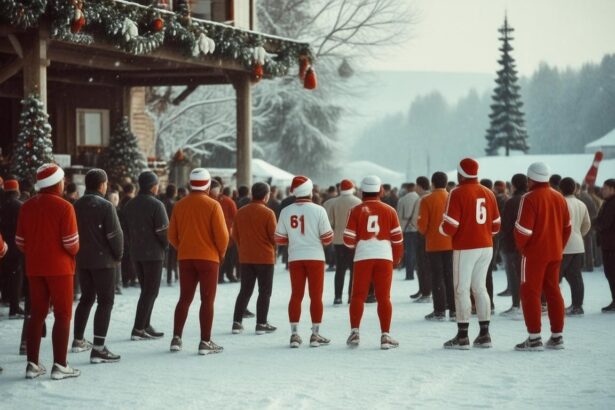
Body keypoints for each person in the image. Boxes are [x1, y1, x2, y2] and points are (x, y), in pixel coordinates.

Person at [16, 163, 81, 379]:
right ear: (56, 182)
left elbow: (20, 242)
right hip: (60, 268)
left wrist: (36, 250)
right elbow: (71, 243)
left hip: (34, 268)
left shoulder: (26, 207)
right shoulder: (65, 207)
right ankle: (60, 365)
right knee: (63, 314)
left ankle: (32, 364)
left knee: (37, 314)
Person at [440, 158, 500, 349]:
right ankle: (484, 334)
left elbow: (450, 226)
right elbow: (496, 225)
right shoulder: (488, 192)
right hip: (486, 245)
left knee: (461, 289)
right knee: (480, 288)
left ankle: (462, 335)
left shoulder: (457, 192)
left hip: (465, 247)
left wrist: (441, 229)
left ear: (460, 174)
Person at [168, 169, 229, 354]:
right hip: (208, 258)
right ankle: (205, 341)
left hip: (185, 257)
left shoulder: (179, 205)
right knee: (207, 300)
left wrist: (183, 247)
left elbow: (171, 235)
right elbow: (223, 236)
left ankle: (176, 338)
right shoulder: (213, 205)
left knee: (184, 299)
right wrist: (221, 253)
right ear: (208, 185)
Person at [514, 162, 571, 351]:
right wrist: (558, 246)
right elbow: (567, 227)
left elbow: (523, 230)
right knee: (553, 291)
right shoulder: (559, 197)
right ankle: (557, 336)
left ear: (530, 179)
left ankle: (534, 337)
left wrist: (522, 248)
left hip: (534, 254)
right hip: (555, 253)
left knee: (530, 293)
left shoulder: (529, 198)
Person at [343, 176, 403, 349]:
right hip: (384, 256)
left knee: (358, 296)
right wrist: (397, 258)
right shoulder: (390, 210)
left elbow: (348, 240)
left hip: (362, 256)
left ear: (361, 192)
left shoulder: (355, 210)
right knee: (384, 297)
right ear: (381, 191)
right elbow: (397, 239)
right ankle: (385, 335)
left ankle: (354, 332)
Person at [274, 176, 334, 348]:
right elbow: (327, 237)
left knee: (296, 295)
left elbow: (279, 238)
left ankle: (294, 334)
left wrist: (294, 239)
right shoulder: (319, 210)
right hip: (315, 256)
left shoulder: (286, 211)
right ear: (309, 190)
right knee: (316, 296)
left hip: (295, 257)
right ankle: (315, 334)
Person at [71, 169, 123, 363]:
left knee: (86, 298)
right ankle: (99, 348)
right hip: (104, 262)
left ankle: (78, 340)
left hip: (82, 260)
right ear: (102, 184)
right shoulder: (106, 206)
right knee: (105, 301)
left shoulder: (76, 205)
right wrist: (118, 256)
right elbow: (115, 236)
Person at [122, 171, 169, 340]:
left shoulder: (129, 205)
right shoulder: (156, 205)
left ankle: (145, 324)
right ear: (153, 186)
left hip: (137, 253)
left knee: (146, 290)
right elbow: (163, 232)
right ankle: (139, 328)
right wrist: (166, 247)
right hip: (154, 253)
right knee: (150, 292)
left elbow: (125, 231)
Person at [231, 182, 277, 335]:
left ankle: (237, 322)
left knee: (245, 290)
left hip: (246, 257)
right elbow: (274, 237)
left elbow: (235, 234)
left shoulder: (241, 212)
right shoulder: (268, 213)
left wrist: (244, 246)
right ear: (266, 196)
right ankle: (261, 323)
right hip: (265, 257)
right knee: (264, 291)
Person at [417, 172, 454, 321]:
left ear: (432, 183)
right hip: (452, 243)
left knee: (437, 277)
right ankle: (453, 309)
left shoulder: (427, 200)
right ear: (446, 183)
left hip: (434, 244)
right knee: (450, 276)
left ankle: (439, 310)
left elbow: (422, 226)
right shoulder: (452, 197)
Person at [559, 177, 590, 316]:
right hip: (578, 245)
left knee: (555, 277)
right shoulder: (581, 204)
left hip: (563, 246)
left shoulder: (560, 203)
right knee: (576, 277)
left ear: (560, 189)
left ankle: (550, 304)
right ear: (575, 189)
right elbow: (587, 225)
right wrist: (578, 234)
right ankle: (577, 306)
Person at [327, 179, 361, 304]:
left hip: (338, 240)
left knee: (340, 269)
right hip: (353, 240)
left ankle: (337, 297)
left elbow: (330, 223)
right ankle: (351, 296)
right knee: (353, 269)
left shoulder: (333, 203)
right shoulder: (358, 202)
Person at [499, 174, 527, 319]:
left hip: (512, 244)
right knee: (527, 276)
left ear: (514, 186)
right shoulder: (529, 199)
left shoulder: (512, 202)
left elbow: (505, 224)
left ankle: (516, 305)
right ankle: (530, 304)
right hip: (528, 244)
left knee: (514, 276)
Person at [0, 178, 24, 318]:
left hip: (3, 245)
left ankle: (6, 298)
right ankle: (14, 307)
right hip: (17, 246)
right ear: (17, 190)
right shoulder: (21, 206)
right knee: (16, 276)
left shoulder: (2, 206)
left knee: (5, 274)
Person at [594, 179, 615, 312]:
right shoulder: (609, 202)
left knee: (612, 273)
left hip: (611, 245)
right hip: (609, 244)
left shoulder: (612, 204)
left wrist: (595, 224)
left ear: (613, 189)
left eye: (606, 188)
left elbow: (605, 224)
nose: (603, 189)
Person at [411, 176, 432, 302]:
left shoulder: (422, 199)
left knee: (422, 264)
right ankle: (424, 290)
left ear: (419, 186)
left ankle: (425, 291)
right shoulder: (431, 197)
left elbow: (416, 219)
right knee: (426, 264)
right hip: (430, 234)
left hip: (421, 233)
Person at [397, 181, 420, 281]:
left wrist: (401, 228)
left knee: (408, 252)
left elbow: (398, 215)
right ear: (414, 188)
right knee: (418, 252)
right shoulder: (419, 198)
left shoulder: (402, 200)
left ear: (407, 189)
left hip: (406, 229)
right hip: (418, 228)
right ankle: (418, 271)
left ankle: (409, 273)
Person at [118, 183, 136, 287]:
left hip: (123, 231)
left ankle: (125, 278)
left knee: (125, 257)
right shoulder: (132, 202)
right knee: (131, 257)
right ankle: (131, 278)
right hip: (130, 231)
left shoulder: (121, 201)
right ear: (132, 190)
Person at [161, 184, 178, 286]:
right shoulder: (174, 204)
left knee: (166, 256)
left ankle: (168, 277)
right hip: (172, 231)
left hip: (164, 231)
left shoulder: (162, 203)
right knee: (173, 256)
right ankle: (172, 276)